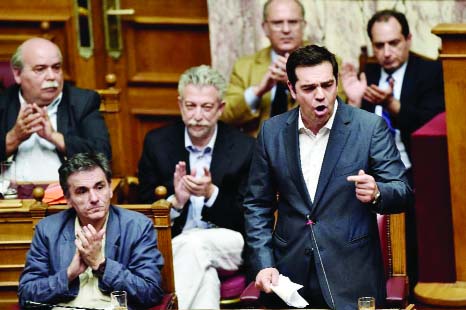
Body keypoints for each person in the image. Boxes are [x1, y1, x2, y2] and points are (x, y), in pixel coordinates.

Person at [243, 45, 414, 309]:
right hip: (289, 274)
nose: (320, 96)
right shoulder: (272, 132)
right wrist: (264, 264)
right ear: (292, 89)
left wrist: (378, 192)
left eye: (328, 84)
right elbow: (257, 205)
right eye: (309, 88)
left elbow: (402, 190)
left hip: (352, 274)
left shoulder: (368, 128)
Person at [138, 65, 255, 309]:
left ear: (220, 108)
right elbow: (143, 212)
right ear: (180, 105)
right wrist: (176, 202)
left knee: (193, 244)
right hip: (179, 244)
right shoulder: (157, 143)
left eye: (207, 107)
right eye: (191, 106)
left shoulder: (244, 148)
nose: (197, 115)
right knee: (203, 274)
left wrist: (211, 194)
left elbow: (250, 218)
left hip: (229, 243)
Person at [18, 152, 164, 309]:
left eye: (100, 187)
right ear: (68, 199)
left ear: (110, 189)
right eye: (82, 191)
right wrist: (68, 274)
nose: (94, 198)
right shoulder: (48, 229)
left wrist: (101, 264)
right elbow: (26, 294)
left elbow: (150, 292)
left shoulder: (138, 227)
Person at [341, 9, 445, 174]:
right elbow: (347, 137)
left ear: (408, 39)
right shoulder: (367, 75)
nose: (387, 53)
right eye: (379, 45)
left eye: (394, 43)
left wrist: (392, 104)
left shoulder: (430, 73)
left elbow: (431, 128)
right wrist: (354, 103)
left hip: (415, 169)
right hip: (369, 172)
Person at [0, 37, 111, 182]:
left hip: (66, 198)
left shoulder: (82, 102)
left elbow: (102, 154)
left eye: (56, 67)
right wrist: (14, 138)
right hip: (8, 199)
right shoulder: (3, 103)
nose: (52, 77)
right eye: (40, 69)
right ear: (17, 74)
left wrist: (54, 137)